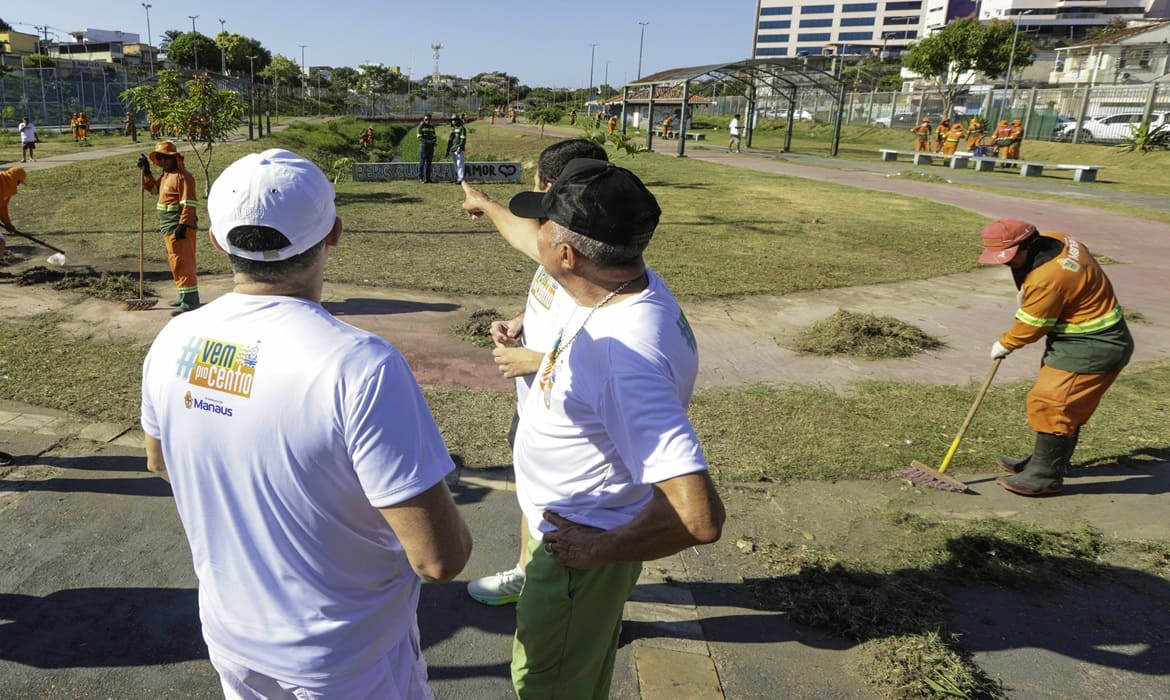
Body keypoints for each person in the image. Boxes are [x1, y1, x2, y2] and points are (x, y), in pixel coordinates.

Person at [141, 148, 472, 697]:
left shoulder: (175, 337)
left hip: (232, 639)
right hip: (347, 659)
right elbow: (440, 559)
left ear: (218, 240)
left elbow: (159, 462)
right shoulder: (360, 365)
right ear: (334, 233)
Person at [505, 158, 725, 698]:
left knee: (547, 686)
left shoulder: (624, 359)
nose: (537, 232)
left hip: (579, 552)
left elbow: (699, 517)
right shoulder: (617, 286)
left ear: (566, 254)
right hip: (579, 533)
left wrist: (597, 551)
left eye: (544, 224)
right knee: (579, 675)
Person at [459, 139, 610, 607]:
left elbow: (613, 348)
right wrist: (524, 321)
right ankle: (529, 574)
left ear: (549, 186)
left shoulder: (594, 255)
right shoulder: (560, 234)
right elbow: (526, 245)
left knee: (565, 514)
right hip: (536, 405)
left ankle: (568, 606)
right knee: (532, 493)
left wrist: (538, 361)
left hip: (567, 416)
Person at [978, 218, 1134, 497]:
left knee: (1053, 403)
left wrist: (1006, 343)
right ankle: (1045, 462)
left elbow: (1032, 325)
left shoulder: (1048, 278)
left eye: (1011, 256)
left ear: (1029, 245)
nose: (1006, 263)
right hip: (1078, 339)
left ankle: (1045, 475)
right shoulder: (1058, 239)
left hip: (1093, 346)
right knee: (1065, 405)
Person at [139, 141, 201, 315]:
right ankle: (183, 296)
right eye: (159, 158)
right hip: (167, 227)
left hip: (179, 228)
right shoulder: (166, 176)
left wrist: (183, 225)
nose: (163, 161)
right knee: (175, 262)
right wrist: (146, 172)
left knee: (183, 263)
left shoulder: (183, 177)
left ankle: (190, 302)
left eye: (166, 158)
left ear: (175, 158)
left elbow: (189, 203)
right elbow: (153, 190)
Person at [0, 166, 28, 261]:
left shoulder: (7, 189)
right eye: (19, 183)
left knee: (1, 244)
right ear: (14, 179)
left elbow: (2, 207)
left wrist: (7, 223)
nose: (18, 185)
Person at [445, 115, 468, 184]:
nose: (454, 121)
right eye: (452, 120)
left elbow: (463, 139)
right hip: (453, 149)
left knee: (460, 164)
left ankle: (460, 179)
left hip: (459, 149)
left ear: (458, 120)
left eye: (455, 120)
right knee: (456, 165)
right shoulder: (453, 129)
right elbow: (450, 141)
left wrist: (460, 147)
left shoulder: (462, 128)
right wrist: (447, 150)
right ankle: (457, 178)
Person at [417, 114, 437, 183]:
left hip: (431, 148)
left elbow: (434, 136)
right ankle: (420, 178)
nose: (427, 121)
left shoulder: (432, 127)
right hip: (424, 147)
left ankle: (428, 178)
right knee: (422, 163)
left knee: (429, 164)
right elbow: (419, 138)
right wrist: (429, 142)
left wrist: (434, 142)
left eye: (429, 119)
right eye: (426, 119)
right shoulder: (421, 126)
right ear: (424, 119)